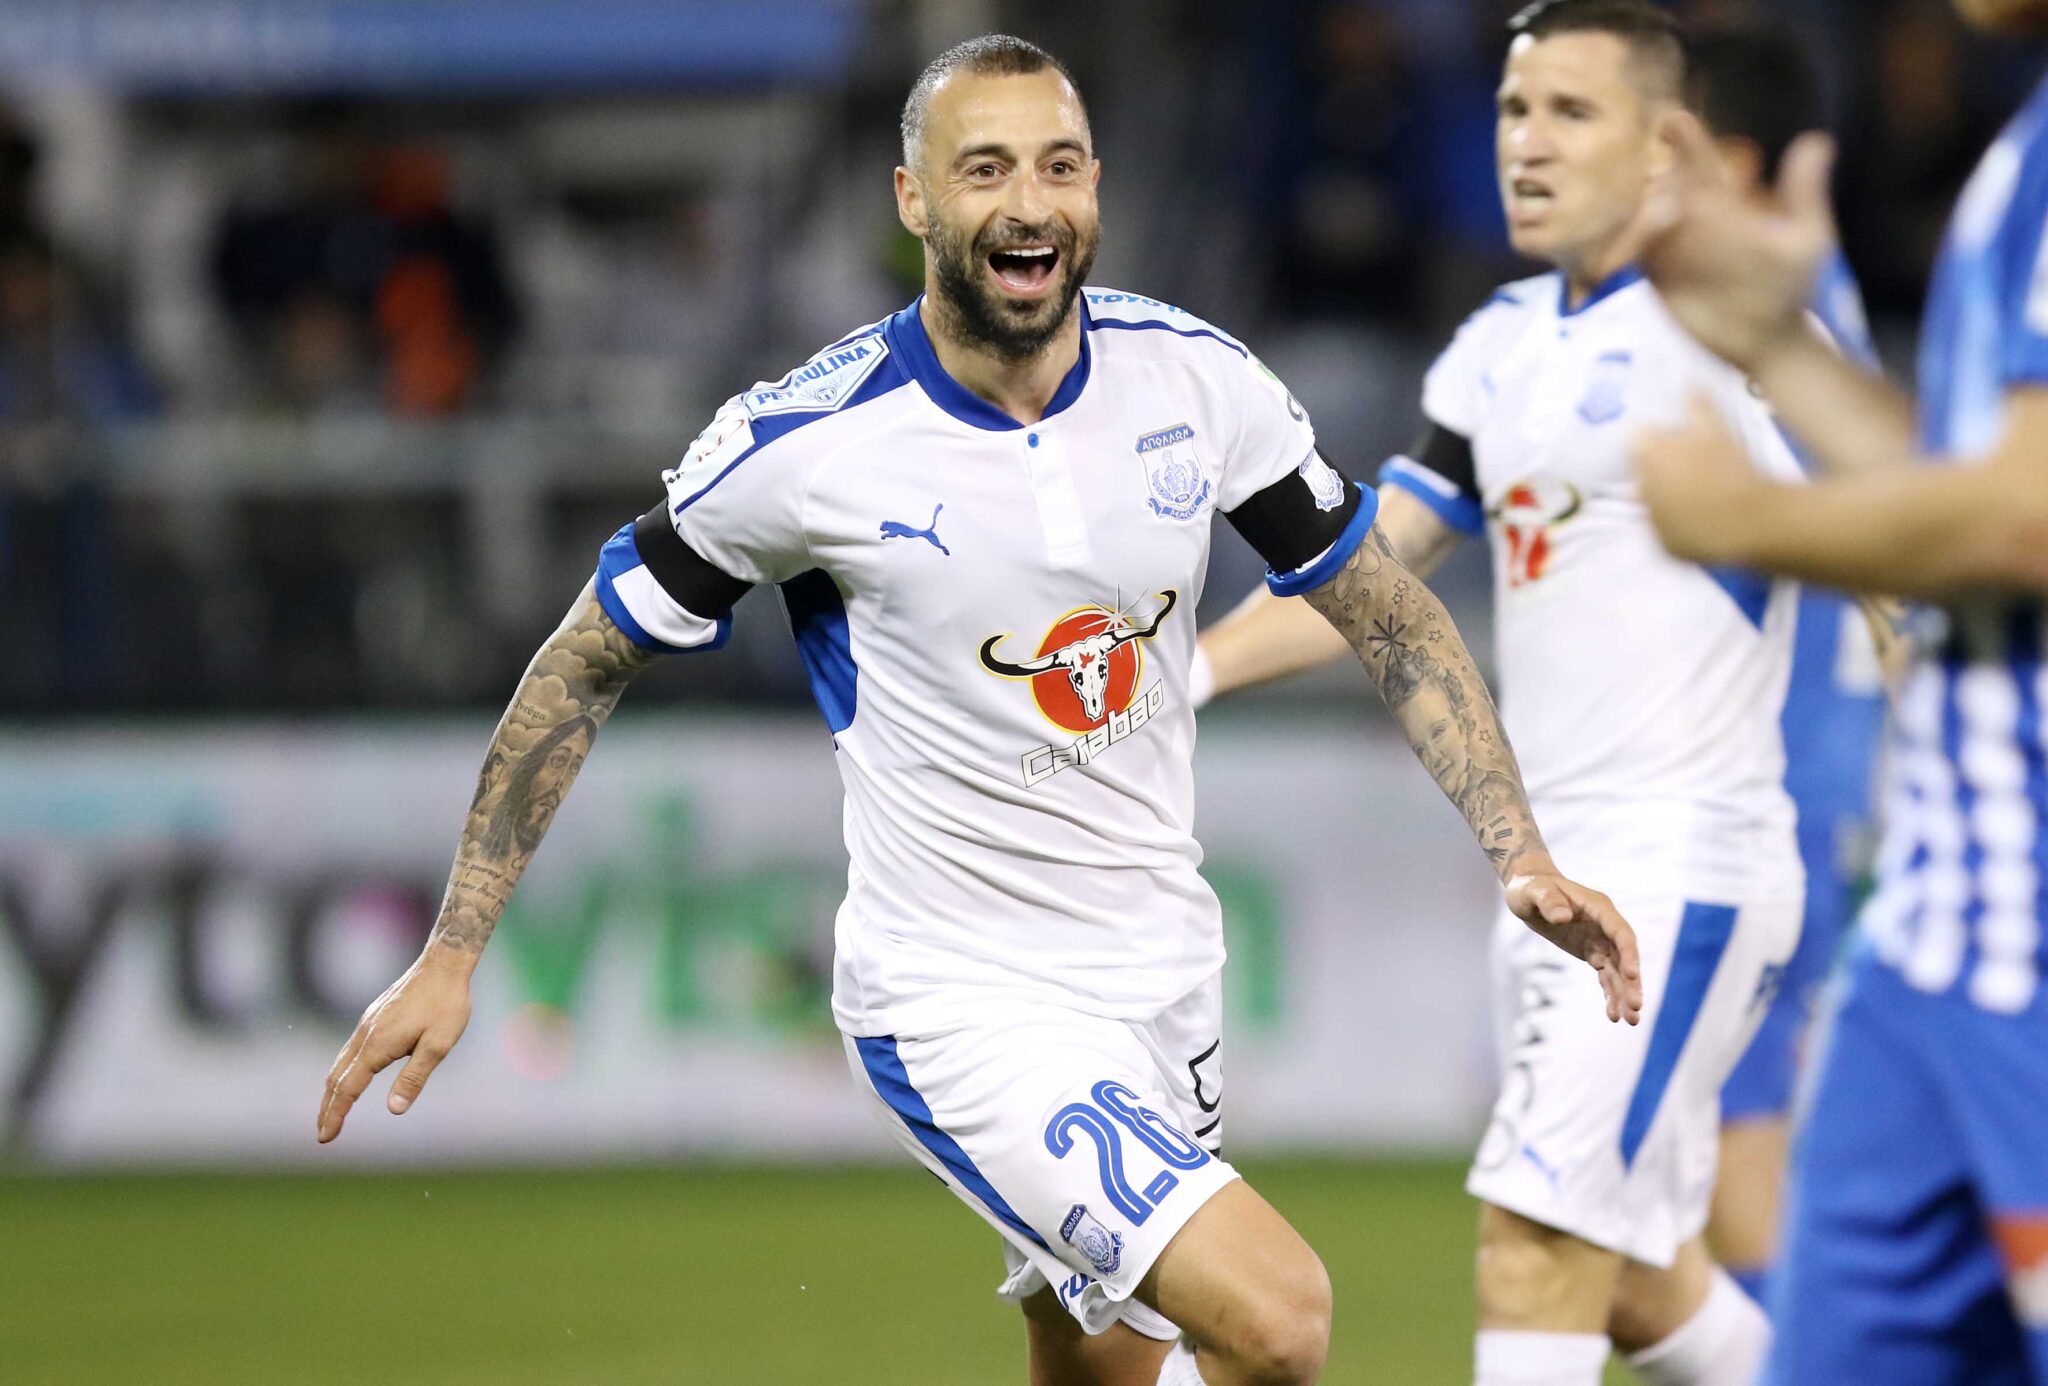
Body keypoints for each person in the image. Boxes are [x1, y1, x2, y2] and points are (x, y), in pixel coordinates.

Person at [312, 35, 1641, 1386]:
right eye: (985, 168)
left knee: (1103, 1366)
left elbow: (1390, 612)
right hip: (960, 1000)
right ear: (913, 198)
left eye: (1057, 166)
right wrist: (455, 948)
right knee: (1278, 1317)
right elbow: (583, 661)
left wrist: (1519, 850)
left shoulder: (1196, 380)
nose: (1027, 203)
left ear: (1095, 186)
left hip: (1163, 974)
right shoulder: (805, 444)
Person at [1192, 5, 1805, 1383]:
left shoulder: (1737, 328)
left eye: (1572, 113)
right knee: (1638, 1282)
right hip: (1553, 871)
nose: (1528, 143)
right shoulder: (1501, 345)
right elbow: (1381, 565)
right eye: (1516, 111)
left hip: (1682, 862)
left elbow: (1897, 536)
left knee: (1535, 1246)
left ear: (1666, 149)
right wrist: (1190, 671)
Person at [1630, 2, 2048, 1378]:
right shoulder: (2025, 150)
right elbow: (1966, 484)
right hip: (1934, 940)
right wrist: (1782, 347)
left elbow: (2025, 519)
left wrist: (1744, 518)